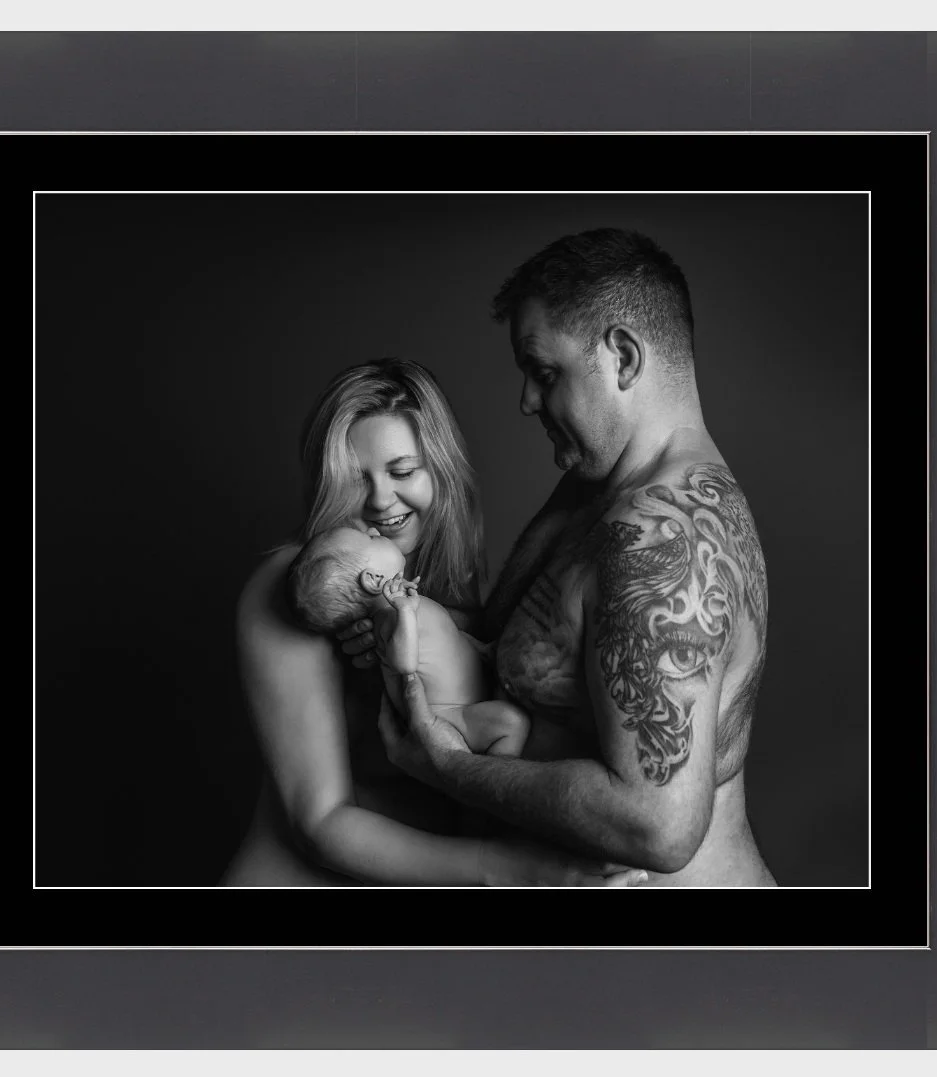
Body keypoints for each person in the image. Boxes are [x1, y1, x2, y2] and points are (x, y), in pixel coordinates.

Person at [362, 230, 777, 886]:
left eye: (545, 372)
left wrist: (447, 767)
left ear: (622, 357)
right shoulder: (597, 485)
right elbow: (500, 644)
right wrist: (393, 623)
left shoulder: (664, 535)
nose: (527, 400)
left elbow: (658, 825)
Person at [222, 358, 648, 887]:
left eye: (402, 472)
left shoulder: (429, 577)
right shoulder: (291, 586)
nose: (380, 501)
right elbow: (320, 823)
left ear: (440, 470)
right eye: (354, 480)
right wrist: (522, 872)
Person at [287, 525, 531, 756]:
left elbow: (447, 638)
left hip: (470, 698)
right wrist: (404, 611)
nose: (374, 530)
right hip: (451, 719)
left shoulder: (400, 609)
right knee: (514, 722)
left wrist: (480, 649)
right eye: (371, 538)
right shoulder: (388, 621)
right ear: (373, 580)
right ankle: (487, 777)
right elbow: (404, 664)